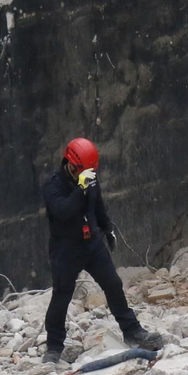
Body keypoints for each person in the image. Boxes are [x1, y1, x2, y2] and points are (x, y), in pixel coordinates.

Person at [41, 137, 165, 363]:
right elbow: (62, 211)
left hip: (91, 242)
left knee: (113, 284)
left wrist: (108, 230)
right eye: (83, 171)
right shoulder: (53, 185)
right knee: (62, 294)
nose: (88, 174)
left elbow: (98, 205)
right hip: (65, 248)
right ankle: (54, 346)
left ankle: (132, 331)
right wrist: (80, 188)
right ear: (71, 164)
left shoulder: (90, 179)